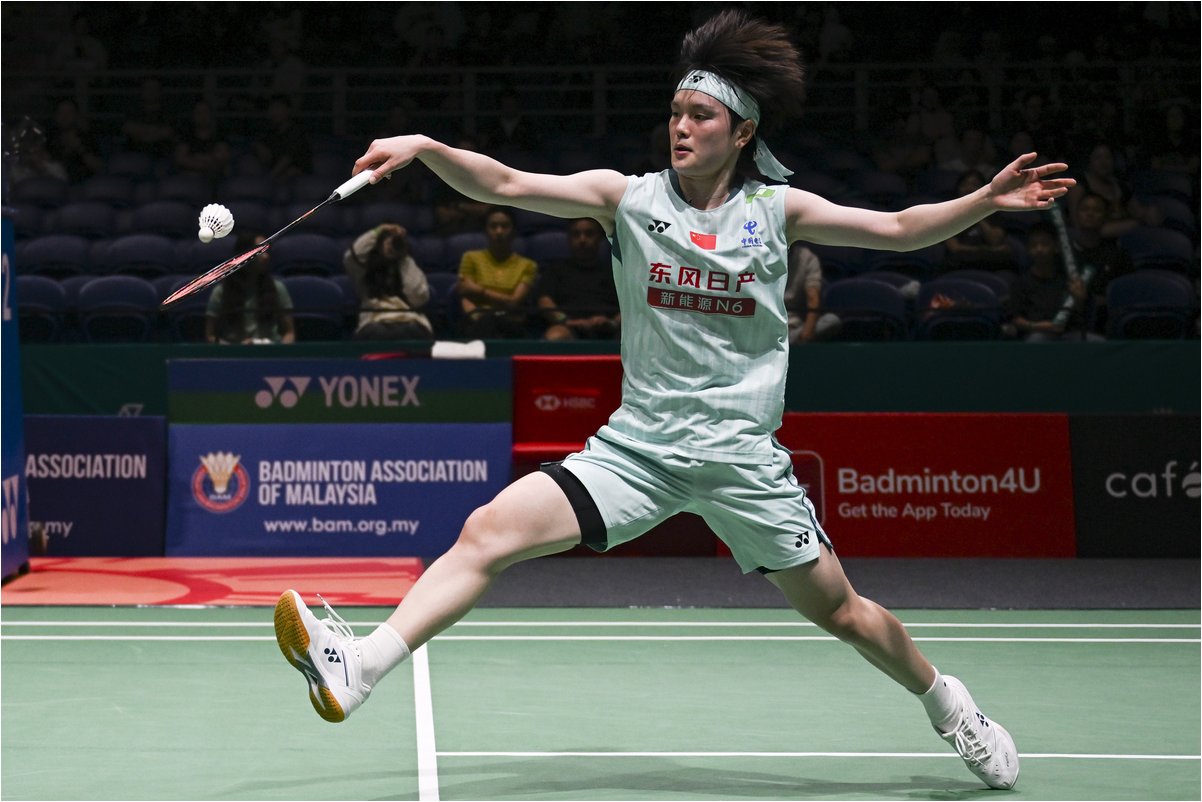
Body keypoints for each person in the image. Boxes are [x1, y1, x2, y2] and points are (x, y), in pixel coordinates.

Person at [273, 10, 1075, 791]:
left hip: (742, 461)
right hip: (640, 451)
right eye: (675, 113)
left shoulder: (777, 212)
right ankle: (361, 666)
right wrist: (425, 147)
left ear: (743, 131)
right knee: (488, 531)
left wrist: (983, 201)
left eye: (701, 115)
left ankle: (947, 703)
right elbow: (509, 183)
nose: (681, 128)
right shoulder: (627, 199)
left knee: (845, 614)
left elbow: (898, 229)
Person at [456, 206, 538, 339]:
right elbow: (466, 296)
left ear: (514, 231)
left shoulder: (528, 265)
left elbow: (514, 302)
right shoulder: (470, 258)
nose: (499, 231)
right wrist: (481, 318)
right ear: (486, 231)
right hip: (478, 323)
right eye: (493, 226)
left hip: (511, 324)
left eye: (505, 226)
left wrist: (480, 291)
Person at [342, 223, 434, 341]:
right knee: (378, 332)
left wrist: (404, 258)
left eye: (395, 241)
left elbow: (417, 297)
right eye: (387, 239)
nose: (391, 244)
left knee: (415, 332)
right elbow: (352, 256)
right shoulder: (364, 270)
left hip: (409, 320)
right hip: (375, 321)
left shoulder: (408, 266)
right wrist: (378, 231)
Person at [204, 232, 296, 344]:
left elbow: (289, 333)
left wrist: (277, 349)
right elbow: (210, 336)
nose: (266, 256)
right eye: (260, 252)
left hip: (270, 351)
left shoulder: (278, 288)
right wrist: (235, 349)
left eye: (266, 251)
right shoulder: (221, 292)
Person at [1011, 221, 1096, 342]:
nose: (1039, 249)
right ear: (1028, 249)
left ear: (1056, 247)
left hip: (1069, 334)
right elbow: (1016, 320)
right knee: (1037, 340)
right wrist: (1040, 326)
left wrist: (1080, 299)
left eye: (1044, 244)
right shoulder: (1020, 283)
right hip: (1037, 334)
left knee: (1097, 342)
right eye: (1034, 245)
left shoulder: (1069, 281)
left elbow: (1082, 316)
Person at [538, 217, 620, 341]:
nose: (582, 239)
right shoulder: (555, 270)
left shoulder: (615, 271)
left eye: (589, 234)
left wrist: (612, 322)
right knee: (555, 336)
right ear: (569, 238)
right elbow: (544, 301)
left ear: (600, 238)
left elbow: (629, 305)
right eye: (576, 234)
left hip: (610, 330)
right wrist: (566, 320)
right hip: (569, 328)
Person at [783, 243, 841, 344]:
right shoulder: (762, 254)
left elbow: (813, 299)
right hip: (765, 326)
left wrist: (805, 335)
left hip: (793, 330)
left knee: (832, 320)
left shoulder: (807, 257)